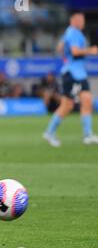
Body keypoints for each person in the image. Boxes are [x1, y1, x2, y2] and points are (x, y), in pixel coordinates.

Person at [43, 12, 98, 147]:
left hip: (74, 72)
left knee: (75, 103)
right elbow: (74, 51)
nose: (81, 21)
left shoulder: (69, 32)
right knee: (77, 102)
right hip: (75, 74)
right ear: (72, 20)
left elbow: (60, 47)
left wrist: (66, 58)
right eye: (78, 19)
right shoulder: (74, 32)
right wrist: (91, 51)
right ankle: (86, 134)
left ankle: (86, 134)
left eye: (82, 19)